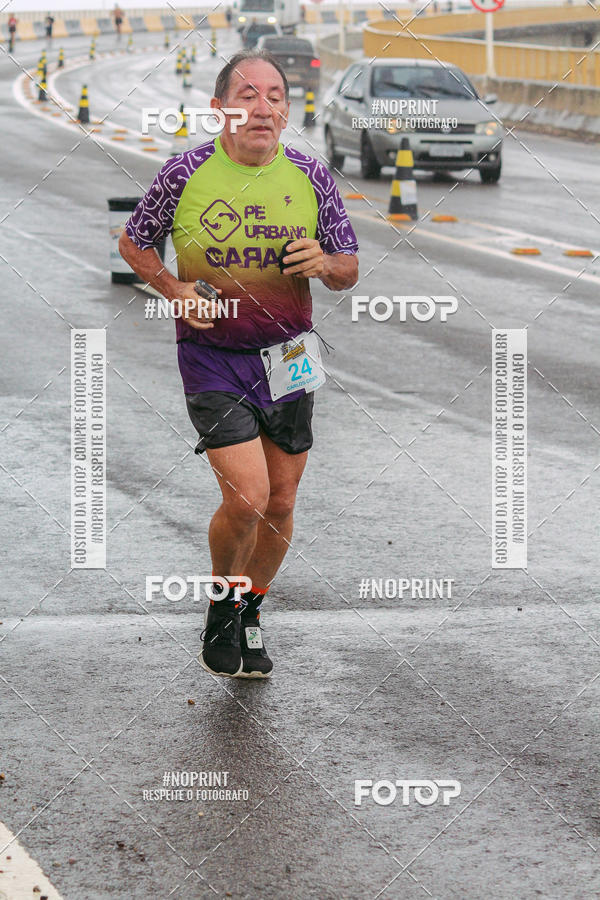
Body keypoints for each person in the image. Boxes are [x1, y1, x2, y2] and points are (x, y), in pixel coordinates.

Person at [119, 50, 358, 680]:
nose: (263, 106)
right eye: (247, 94)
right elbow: (134, 242)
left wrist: (324, 264)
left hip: (291, 357)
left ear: (287, 109)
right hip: (212, 359)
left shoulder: (312, 175)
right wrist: (173, 291)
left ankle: (250, 612)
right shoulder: (184, 172)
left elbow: (347, 268)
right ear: (220, 108)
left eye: (275, 95)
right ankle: (221, 610)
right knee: (248, 497)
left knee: (281, 502)